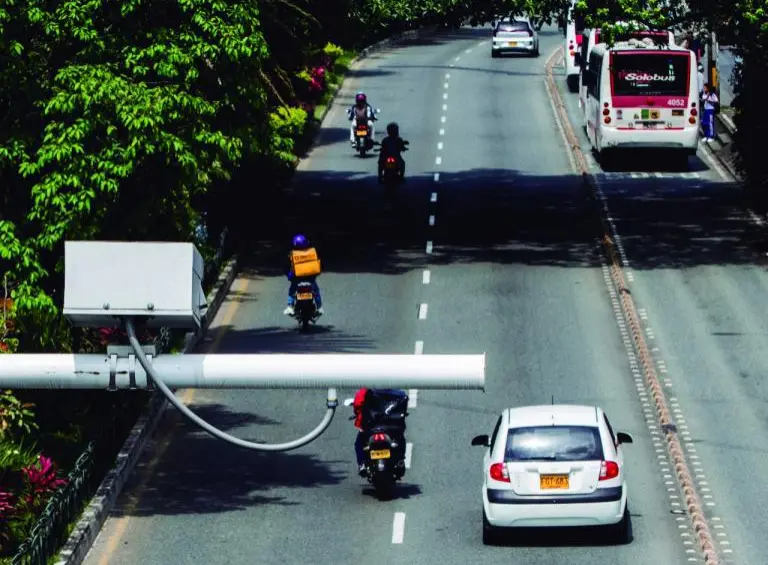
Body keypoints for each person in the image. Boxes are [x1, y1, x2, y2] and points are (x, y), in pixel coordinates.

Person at [283, 234, 324, 316]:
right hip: (310, 278)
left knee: (292, 291)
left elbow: (286, 267)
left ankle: (290, 306)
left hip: (296, 279)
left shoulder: (292, 255)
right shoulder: (311, 253)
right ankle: (319, 307)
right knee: (316, 291)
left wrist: (289, 275)